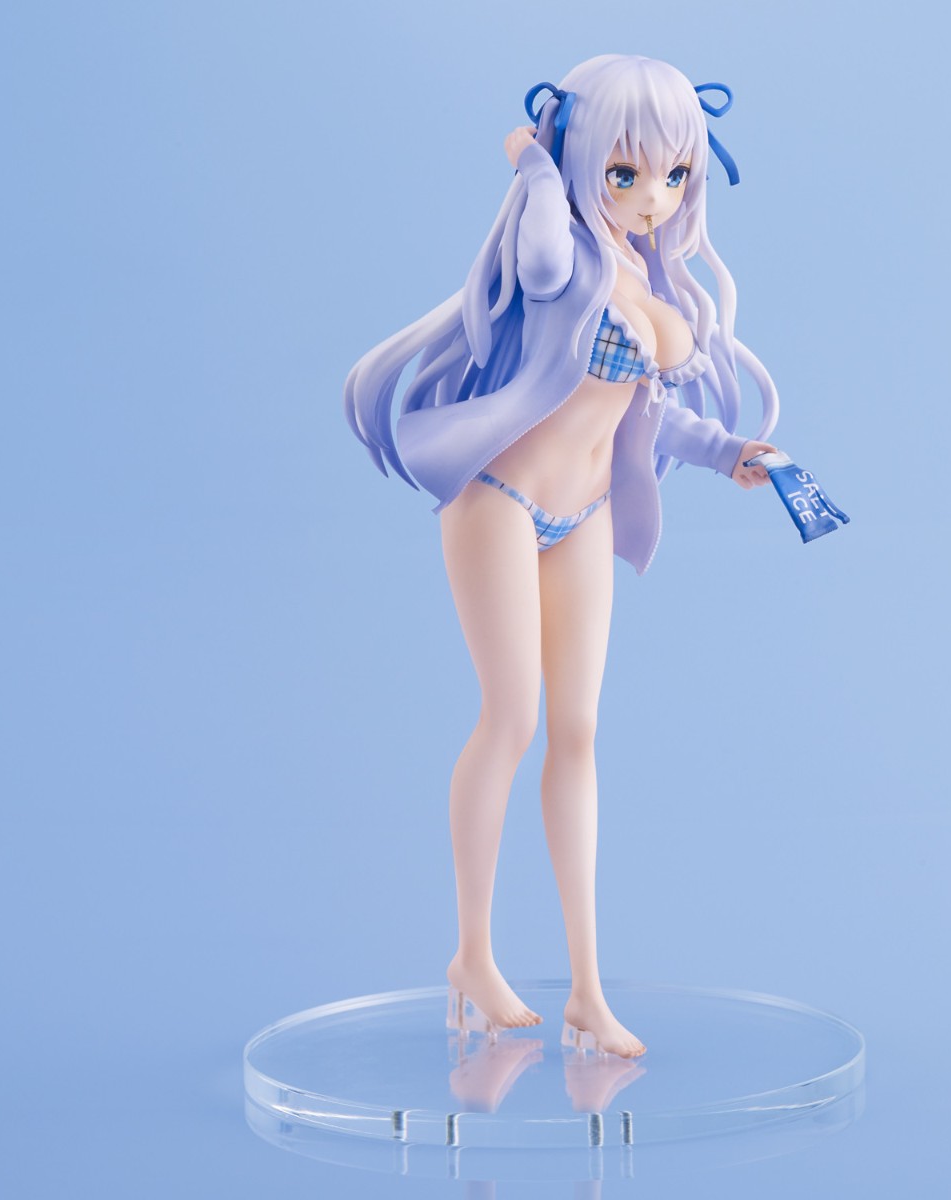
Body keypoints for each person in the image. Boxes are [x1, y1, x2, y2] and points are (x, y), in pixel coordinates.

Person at [345, 54, 783, 1058]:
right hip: (499, 497)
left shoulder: (651, 275)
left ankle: (587, 986)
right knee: (511, 718)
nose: (652, 195)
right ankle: (472, 955)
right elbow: (540, 262)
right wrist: (535, 162)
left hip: (583, 513)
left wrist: (729, 453)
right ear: (583, 159)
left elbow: (644, 414)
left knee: (578, 731)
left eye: (674, 174)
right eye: (625, 173)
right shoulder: (568, 257)